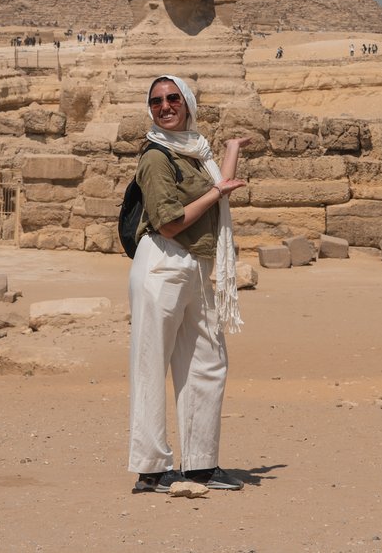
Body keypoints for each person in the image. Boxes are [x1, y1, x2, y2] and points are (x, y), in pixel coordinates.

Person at [128, 74, 247, 494]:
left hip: (196, 264)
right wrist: (216, 193)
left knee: (207, 362)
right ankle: (150, 469)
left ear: (188, 101)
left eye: (173, 98)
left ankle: (200, 465)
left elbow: (222, 189)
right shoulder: (157, 157)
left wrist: (231, 149)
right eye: (157, 100)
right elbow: (170, 221)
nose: (165, 106)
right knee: (150, 364)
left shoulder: (196, 151)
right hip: (162, 261)